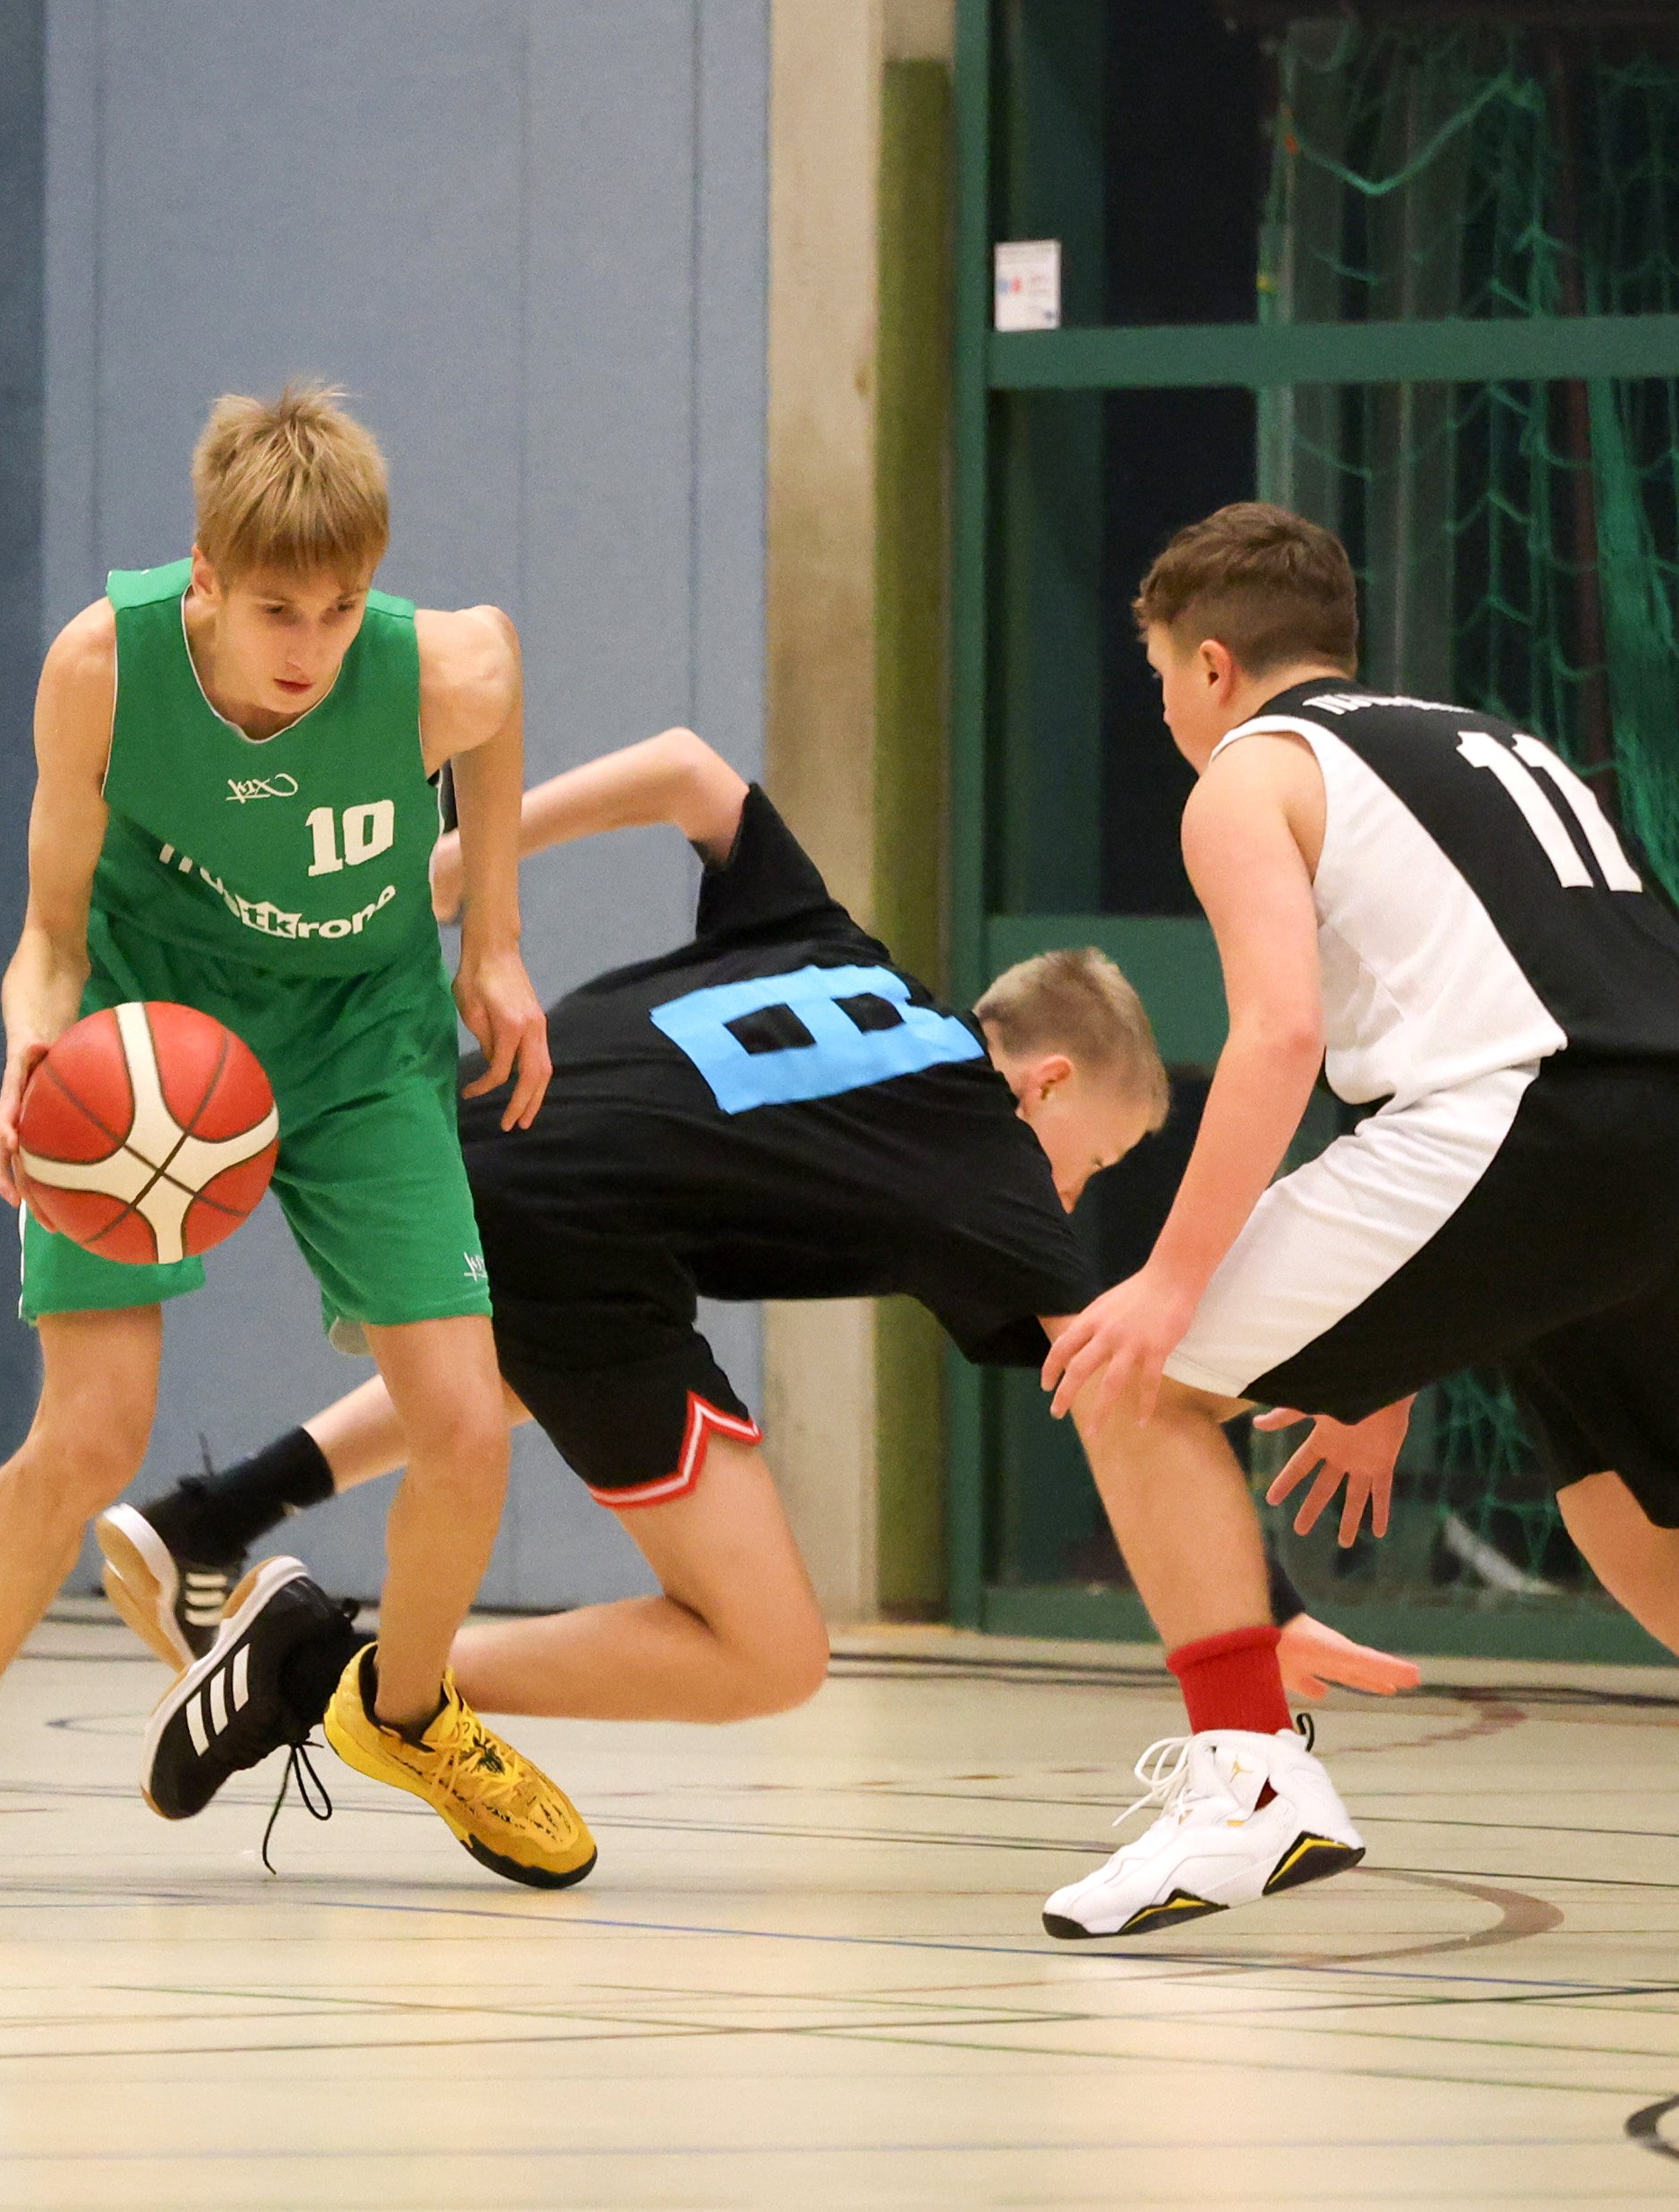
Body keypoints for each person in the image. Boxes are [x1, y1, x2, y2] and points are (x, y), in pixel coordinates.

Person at [1031, 500, 1679, 1950]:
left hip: (1522, 1127)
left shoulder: (1251, 770)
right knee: (1649, 1540)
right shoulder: (1481, 744)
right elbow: (1496, 1018)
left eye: (1156, 679)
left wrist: (1168, 1281)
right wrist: (1378, 1366)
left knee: (1132, 1381)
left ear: (1209, 665)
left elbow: (1279, 1038)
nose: (1163, 713)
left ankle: (1249, 1778)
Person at [95, 730, 1413, 1814]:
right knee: (768, 1653)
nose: (1068, 1196)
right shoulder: (988, 1156)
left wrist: (461, 868)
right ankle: (326, 1666)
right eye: (1095, 1159)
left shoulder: (837, 946)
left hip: (446, 1128)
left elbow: (685, 766)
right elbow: (1128, 1390)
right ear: (1047, 1081)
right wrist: (1264, 1607)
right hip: (573, 1238)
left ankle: (213, 1515)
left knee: (530, 1361)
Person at [0, 382, 576, 1895]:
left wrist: (495, 940)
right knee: (91, 1433)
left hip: (360, 1033)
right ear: (204, 575)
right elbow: (51, 933)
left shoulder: (436, 665)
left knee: (462, 1421)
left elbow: (501, 684)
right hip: (151, 1035)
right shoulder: (101, 668)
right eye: (275, 612)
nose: (310, 647)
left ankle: (406, 1715)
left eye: (340, 610)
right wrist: (28, 1049)